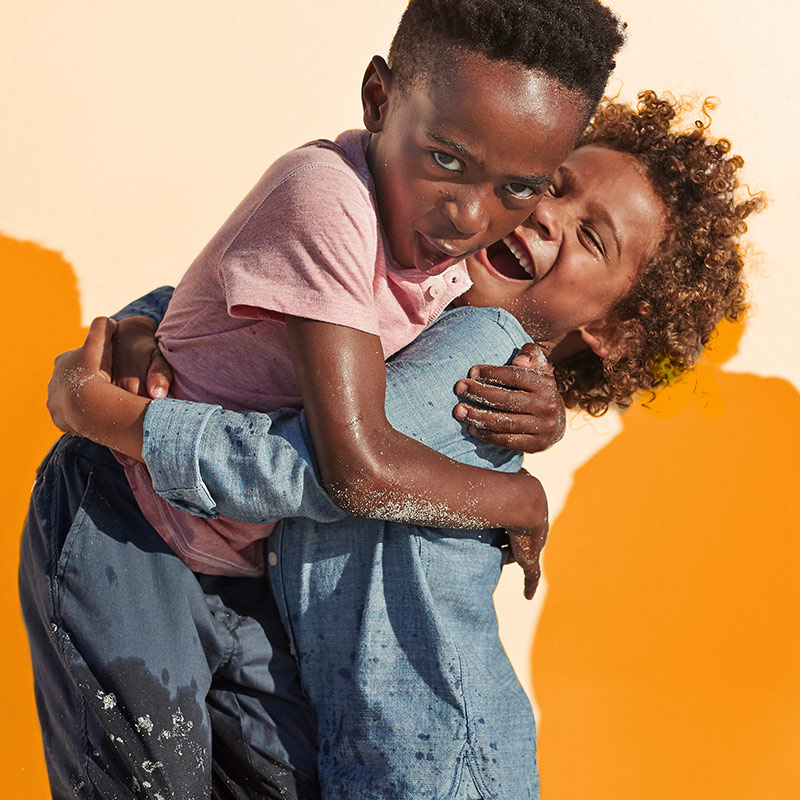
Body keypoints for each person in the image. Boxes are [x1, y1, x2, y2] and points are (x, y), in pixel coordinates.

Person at [29, 92, 762, 799]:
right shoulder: (437, 289)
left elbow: (315, 467)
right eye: (550, 185)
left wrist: (104, 412)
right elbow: (270, 307)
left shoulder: (479, 358)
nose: (544, 214)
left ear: (616, 333)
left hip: (431, 767)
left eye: (591, 236)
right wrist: (145, 322)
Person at [96, 0, 625, 598]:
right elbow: (357, 469)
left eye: (522, 186)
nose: (472, 216)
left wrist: (546, 422)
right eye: (447, 159)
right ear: (378, 99)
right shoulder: (336, 199)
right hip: (131, 521)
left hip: (237, 574)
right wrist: (520, 497)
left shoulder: (445, 269)